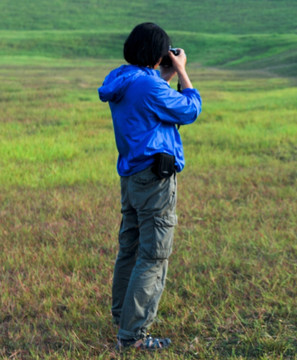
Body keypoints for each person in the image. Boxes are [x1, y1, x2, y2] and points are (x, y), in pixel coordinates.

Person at [98, 22, 202, 351]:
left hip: (131, 177)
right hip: (154, 179)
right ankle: (133, 336)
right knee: (153, 256)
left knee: (129, 250)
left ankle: (122, 318)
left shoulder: (124, 79)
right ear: (156, 53)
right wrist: (183, 71)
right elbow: (190, 110)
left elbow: (149, 95)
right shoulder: (147, 86)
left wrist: (165, 74)